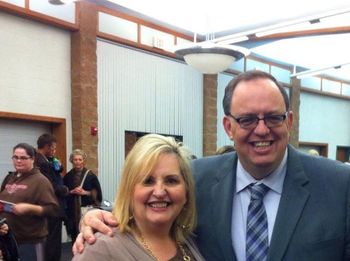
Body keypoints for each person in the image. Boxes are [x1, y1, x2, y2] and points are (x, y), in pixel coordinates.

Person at [75, 70, 350, 261]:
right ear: (228, 126)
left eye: (273, 118)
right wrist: (92, 219)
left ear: (289, 121)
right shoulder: (195, 180)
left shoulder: (339, 185)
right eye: (248, 120)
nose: (262, 129)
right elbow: (146, 217)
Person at [72, 134, 204, 261]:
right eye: (148, 181)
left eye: (171, 181)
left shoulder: (190, 239)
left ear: (186, 193)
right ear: (128, 190)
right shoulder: (99, 250)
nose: (159, 192)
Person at [0, 143, 59, 261]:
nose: (18, 161)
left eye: (23, 158)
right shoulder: (10, 178)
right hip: (8, 238)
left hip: (30, 241)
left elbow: (53, 209)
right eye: (15, 157)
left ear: (32, 159)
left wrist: (30, 208)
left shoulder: (40, 181)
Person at [35, 133, 69, 261]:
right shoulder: (41, 162)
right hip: (52, 205)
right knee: (53, 240)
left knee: (51, 239)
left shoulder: (46, 160)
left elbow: (56, 172)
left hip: (49, 206)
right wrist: (64, 190)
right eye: (53, 148)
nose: (54, 151)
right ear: (47, 147)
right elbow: (49, 184)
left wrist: (58, 166)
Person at [63, 149, 102, 244]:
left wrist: (85, 192)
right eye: (75, 159)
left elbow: (98, 194)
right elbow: (64, 193)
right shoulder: (67, 176)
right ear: (72, 161)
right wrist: (71, 191)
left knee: (88, 236)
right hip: (72, 213)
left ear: (83, 161)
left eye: (80, 159)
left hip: (86, 211)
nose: (77, 162)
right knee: (74, 238)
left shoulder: (90, 176)